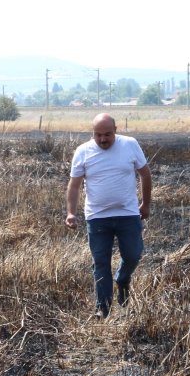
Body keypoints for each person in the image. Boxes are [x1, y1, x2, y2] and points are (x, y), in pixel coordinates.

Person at [65, 113, 152, 318]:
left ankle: (122, 279)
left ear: (116, 130)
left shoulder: (130, 144)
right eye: (98, 135)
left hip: (128, 214)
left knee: (133, 255)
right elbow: (74, 185)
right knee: (101, 262)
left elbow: (145, 174)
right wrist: (71, 213)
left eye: (107, 134)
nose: (103, 139)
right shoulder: (82, 151)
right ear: (92, 133)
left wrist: (146, 204)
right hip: (97, 217)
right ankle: (103, 308)